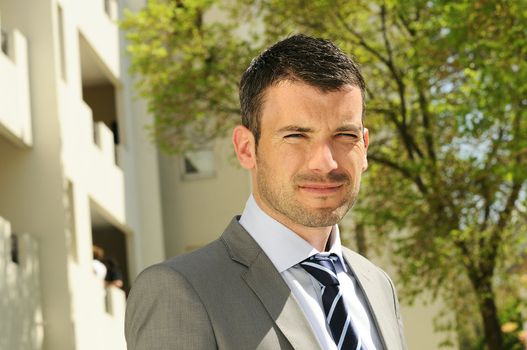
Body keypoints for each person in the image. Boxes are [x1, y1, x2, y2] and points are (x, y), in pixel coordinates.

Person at [125, 34, 408, 350]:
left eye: (344, 135)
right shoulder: (180, 292)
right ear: (246, 148)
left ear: (365, 147)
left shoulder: (378, 286)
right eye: (296, 135)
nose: (326, 163)